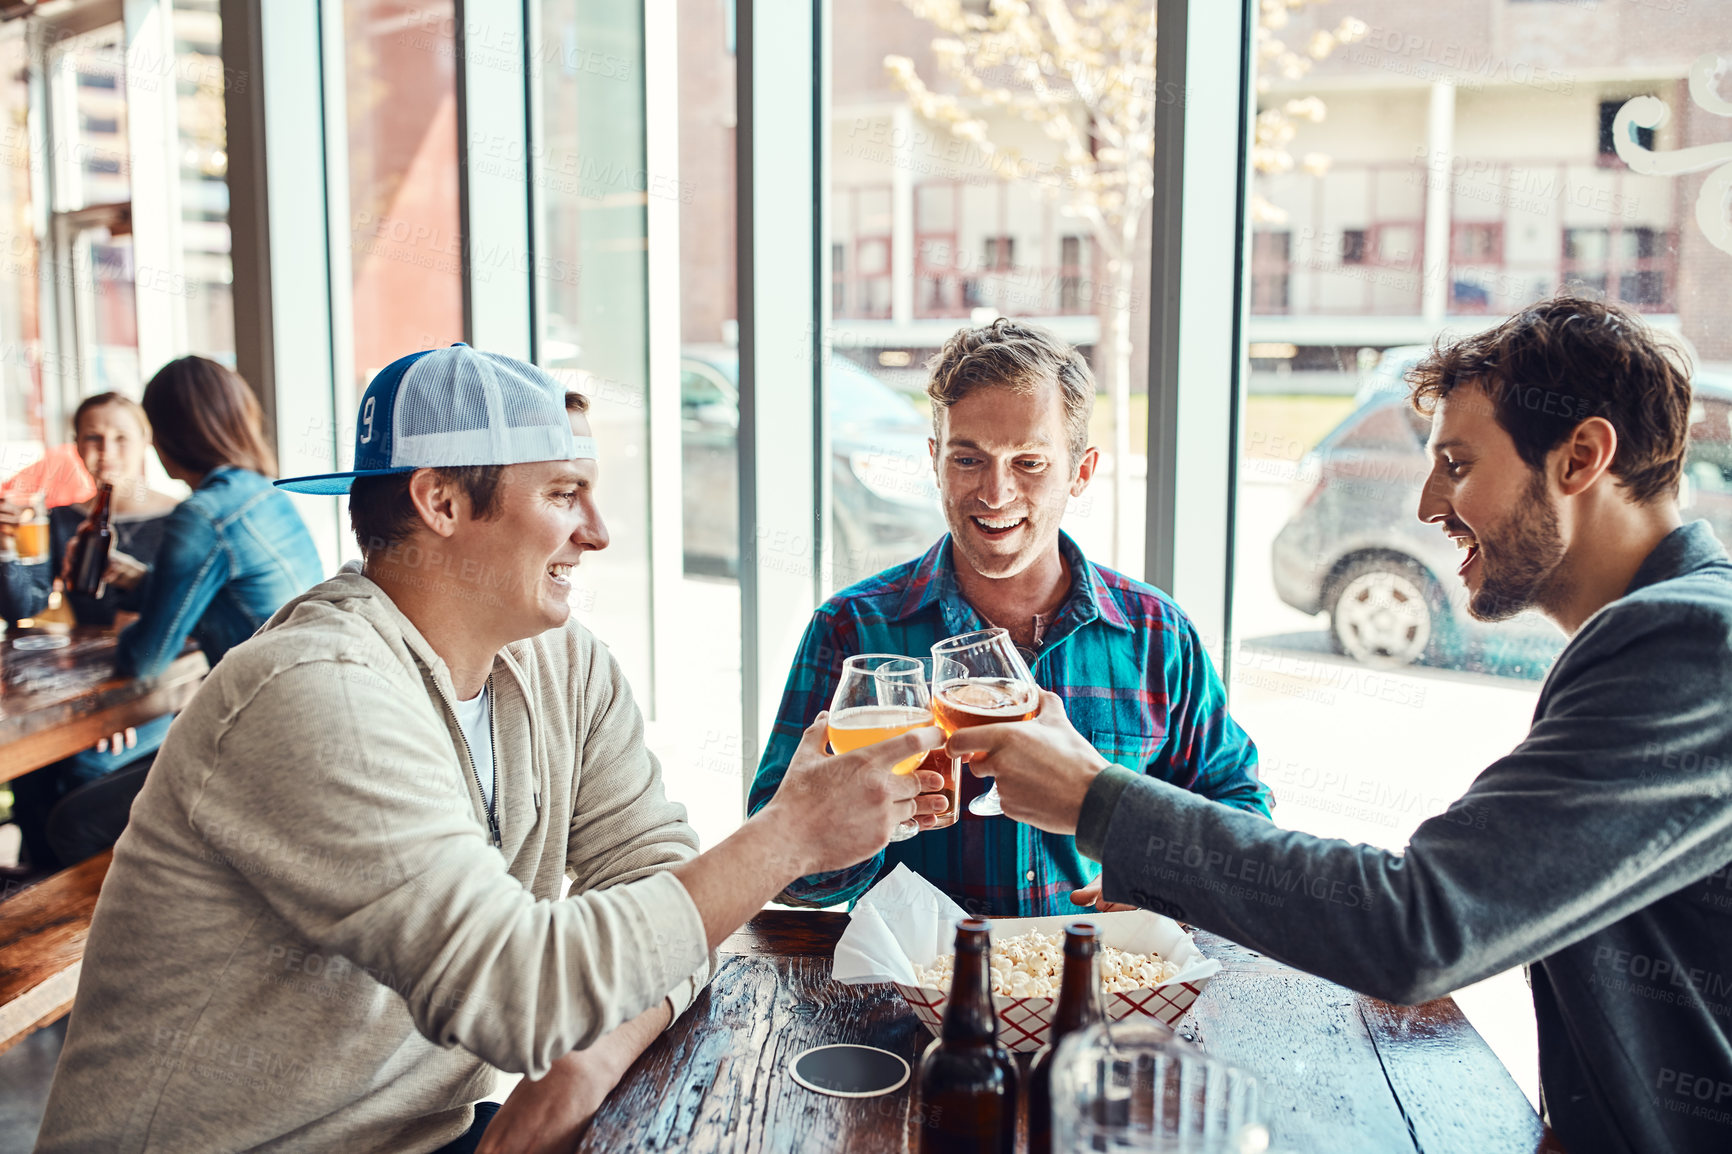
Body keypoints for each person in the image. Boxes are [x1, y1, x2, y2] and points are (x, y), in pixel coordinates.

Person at [34, 344, 945, 1154]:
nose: (598, 530)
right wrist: (789, 837)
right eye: (561, 492)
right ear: (439, 502)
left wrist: (587, 1063)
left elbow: (661, 877)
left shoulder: (561, 660)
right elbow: (527, 996)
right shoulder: (317, 692)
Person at [953, 297, 1732, 1154]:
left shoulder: (1691, 643)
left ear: (1581, 456)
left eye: (1459, 463)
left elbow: (1419, 926)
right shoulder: (1665, 633)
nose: (1431, 501)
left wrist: (1096, 800)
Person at [747, 318, 1270, 918]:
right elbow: (779, 870)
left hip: (1096, 985)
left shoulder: (1158, 633)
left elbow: (1240, 807)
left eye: (1029, 462)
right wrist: (856, 827)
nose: (995, 494)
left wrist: (1171, 881)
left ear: (1080, 471)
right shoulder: (851, 628)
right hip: (912, 995)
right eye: (968, 459)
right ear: (934, 460)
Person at [0, 393, 181, 875]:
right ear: (76, 446)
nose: (108, 451)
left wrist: (124, 703)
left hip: (157, 687)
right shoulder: (63, 519)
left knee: (84, 769)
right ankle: (40, 893)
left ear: (146, 441)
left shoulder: (180, 519)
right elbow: (26, 607)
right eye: (94, 438)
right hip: (79, 686)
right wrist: (5, 551)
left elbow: (183, 632)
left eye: (122, 437)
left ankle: (92, 891)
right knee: (33, 770)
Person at [110, 355, 324, 679]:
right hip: (312, 688)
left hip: (271, 709)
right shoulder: (262, 489)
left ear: (170, 434)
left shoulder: (201, 517)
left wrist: (117, 634)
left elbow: (145, 661)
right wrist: (140, 581)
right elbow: (230, 598)